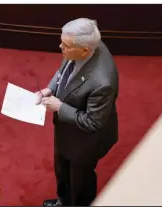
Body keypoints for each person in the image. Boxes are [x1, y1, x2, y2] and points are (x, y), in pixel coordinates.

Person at [36, 18, 119, 206]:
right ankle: (63, 202)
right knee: (62, 171)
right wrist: (50, 89)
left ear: (85, 51)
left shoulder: (102, 82)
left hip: (86, 142)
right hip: (66, 129)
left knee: (80, 182)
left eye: (65, 45)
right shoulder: (81, 43)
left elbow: (93, 122)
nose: (60, 47)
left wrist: (59, 107)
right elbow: (63, 71)